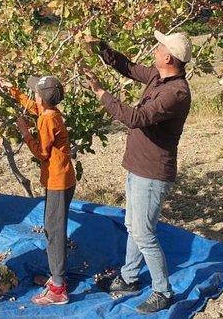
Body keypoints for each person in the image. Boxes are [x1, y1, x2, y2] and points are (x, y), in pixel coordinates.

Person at [84, 31, 191, 314]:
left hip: (153, 173)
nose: (154, 50)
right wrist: (102, 47)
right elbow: (129, 68)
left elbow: (135, 118)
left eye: (158, 47)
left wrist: (101, 93)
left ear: (167, 57)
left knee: (143, 233)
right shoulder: (159, 76)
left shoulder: (175, 93)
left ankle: (163, 291)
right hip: (138, 165)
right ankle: (130, 278)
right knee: (134, 226)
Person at [0, 75, 76, 305]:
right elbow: (34, 108)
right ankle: (56, 276)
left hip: (58, 182)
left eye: (35, 92)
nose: (33, 96)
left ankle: (59, 288)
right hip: (60, 179)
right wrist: (11, 88)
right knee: (53, 228)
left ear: (41, 98)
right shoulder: (49, 113)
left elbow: (42, 153)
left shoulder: (47, 121)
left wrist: (25, 132)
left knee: (54, 231)